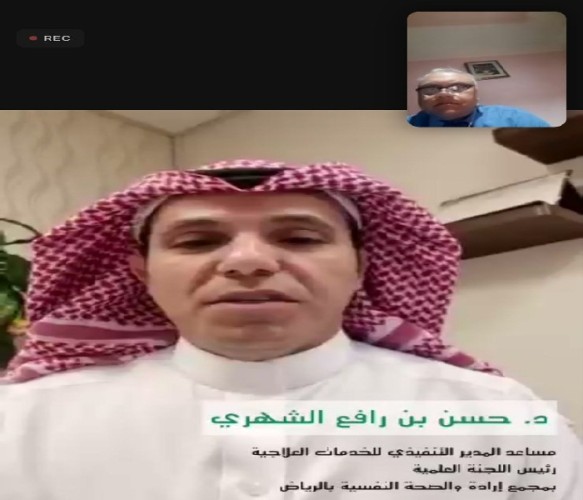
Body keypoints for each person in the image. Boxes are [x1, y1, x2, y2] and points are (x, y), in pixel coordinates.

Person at [0, 159, 580, 499]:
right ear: (141, 273)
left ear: (361, 267)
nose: (247, 262)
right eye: (198, 241)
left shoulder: (498, 420)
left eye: (299, 237)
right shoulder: (23, 425)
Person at [407, 68, 551, 127]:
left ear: (476, 95)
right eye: (431, 89)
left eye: (458, 87)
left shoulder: (514, 118)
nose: (444, 94)